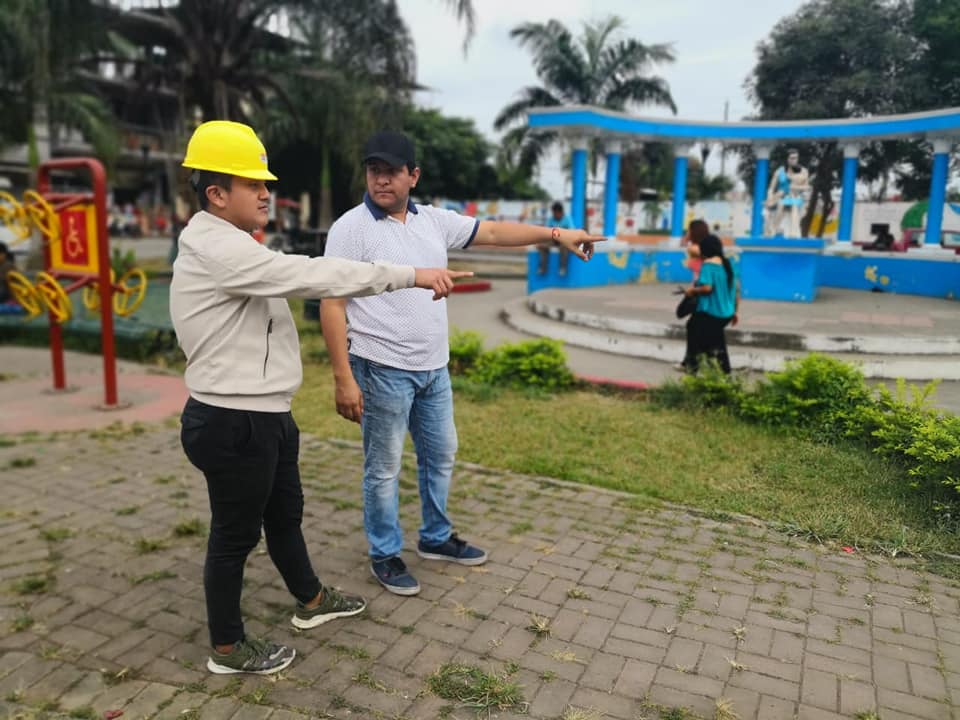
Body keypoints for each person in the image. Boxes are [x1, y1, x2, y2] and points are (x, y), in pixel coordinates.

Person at [169, 120, 470, 676]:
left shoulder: (231, 243)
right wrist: (410, 275)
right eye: (252, 184)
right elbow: (314, 275)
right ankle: (228, 648)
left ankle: (310, 599)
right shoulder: (219, 250)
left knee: (285, 515)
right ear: (216, 194)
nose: (266, 193)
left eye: (265, 183)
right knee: (234, 536)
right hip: (232, 418)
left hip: (264, 413)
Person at [320, 130, 603, 596]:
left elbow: (490, 231)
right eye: (374, 171)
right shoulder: (351, 229)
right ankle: (385, 552)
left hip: (434, 368)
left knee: (440, 455)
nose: (381, 180)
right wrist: (342, 378)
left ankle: (435, 537)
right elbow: (332, 303)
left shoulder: (432, 221)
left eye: (391, 171)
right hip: (381, 367)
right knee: (383, 468)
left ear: (413, 176)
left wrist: (557, 235)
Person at [683, 234, 738, 374]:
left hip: (712, 312)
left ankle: (693, 366)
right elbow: (735, 290)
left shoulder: (708, 265)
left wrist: (692, 291)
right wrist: (735, 311)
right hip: (726, 312)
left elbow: (707, 288)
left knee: (696, 332)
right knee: (711, 339)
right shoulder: (727, 264)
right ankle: (695, 364)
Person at [680, 219, 710, 370]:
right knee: (694, 326)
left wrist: (688, 236)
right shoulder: (702, 247)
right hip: (698, 288)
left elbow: (684, 244)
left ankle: (693, 362)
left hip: (702, 290)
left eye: (689, 230)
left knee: (695, 326)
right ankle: (690, 361)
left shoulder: (697, 249)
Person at [765, 149, 810, 237]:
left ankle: (793, 232)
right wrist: (769, 196)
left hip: (796, 197)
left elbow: (807, 187)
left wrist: (795, 187)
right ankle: (774, 228)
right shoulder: (780, 171)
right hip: (780, 197)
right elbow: (771, 188)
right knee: (781, 203)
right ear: (787, 159)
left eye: (796, 158)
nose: (794, 160)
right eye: (792, 158)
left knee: (794, 203)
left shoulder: (803, 171)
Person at [537, 201, 576, 276]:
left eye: (556, 213)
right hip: (553, 240)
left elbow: (572, 232)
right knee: (541, 246)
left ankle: (563, 268)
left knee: (564, 247)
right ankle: (542, 268)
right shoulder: (551, 219)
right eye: (553, 213)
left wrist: (560, 235)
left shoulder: (568, 219)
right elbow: (546, 232)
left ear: (561, 212)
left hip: (564, 241)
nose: (555, 215)